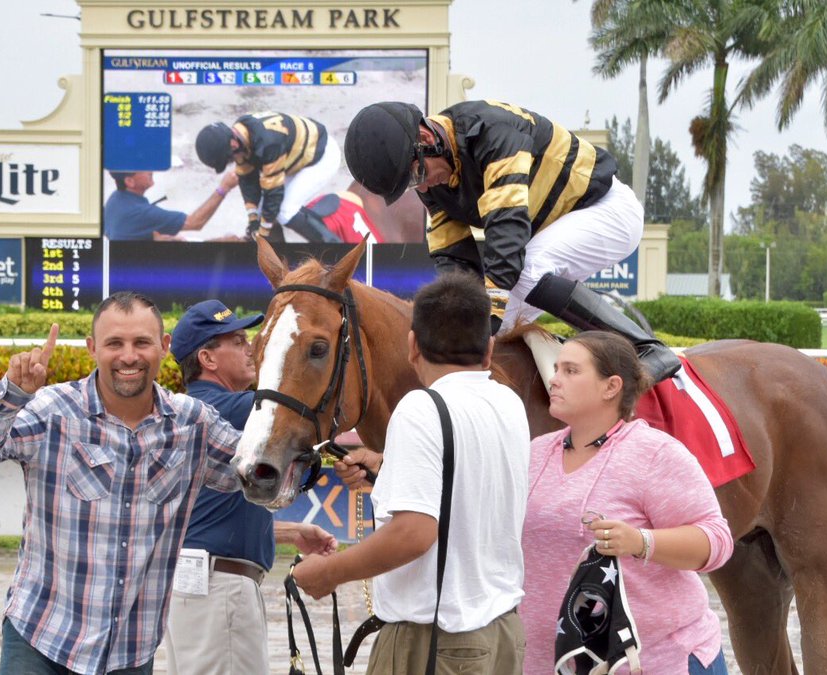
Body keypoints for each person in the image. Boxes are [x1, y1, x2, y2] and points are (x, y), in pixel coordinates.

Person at [0, 292, 243, 675]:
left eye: (141, 342)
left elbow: (260, 474)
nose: (128, 356)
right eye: (114, 344)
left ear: (163, 346)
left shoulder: (193, 423)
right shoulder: (52, 410)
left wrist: (331, 461)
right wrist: (14, 392)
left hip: (129, 653)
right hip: (40, 641)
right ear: (93, 348)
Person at [343, 100, 681, 384]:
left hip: (606, 210)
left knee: (523, 275)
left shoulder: (493, 134)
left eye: (418, 175)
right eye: (413, 185)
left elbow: (506, 245)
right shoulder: (434, 179)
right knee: (489, 334)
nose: (425, 188)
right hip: (549, 231)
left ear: (426, 137)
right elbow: (453, 260)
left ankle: (649, 349)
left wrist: (480, 327)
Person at [292, 272, 530, 675]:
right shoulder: (506, 401)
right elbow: (465, 489)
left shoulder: (421, 408)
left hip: (434, 641)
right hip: (500, 631)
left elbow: (414, 533)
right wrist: (387, 472)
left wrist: (329, 573)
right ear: (489, 350)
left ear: (413, 345)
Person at [521, 331, 733, 675]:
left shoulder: (656, 454)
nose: (554, 379)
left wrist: (641, 542)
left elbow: (717, 541)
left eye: (571, 371)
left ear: (611, 387)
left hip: (660, 663)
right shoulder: (534, 453)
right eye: (556, 369)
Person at [162, 299, 338, 675]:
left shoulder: (196, 408)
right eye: (239, 341)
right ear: (208, 358)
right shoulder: (246, 409)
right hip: (220, 589)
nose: (251, 348)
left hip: (197, 587)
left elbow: (208, 516)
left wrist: (291, 532)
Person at [195, 111, 342, 243]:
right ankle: (278, 254)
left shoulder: (268, 144)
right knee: (262, 214)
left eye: (229, 159)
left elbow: (274, 194)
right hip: (293, 156)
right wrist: (253, 221)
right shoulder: (239, 134)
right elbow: (247, 180)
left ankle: (333, 246)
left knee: (285, 211)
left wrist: (261, 233)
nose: (231, 162)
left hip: (321, 157)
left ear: (233, 144)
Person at [103, 169, 239, 240]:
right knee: (231, 242)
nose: (150, 170)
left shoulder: (114, 200)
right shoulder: (141, 213)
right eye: (143, 169)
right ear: (130, 182)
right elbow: (195, 223)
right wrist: (224, 187)